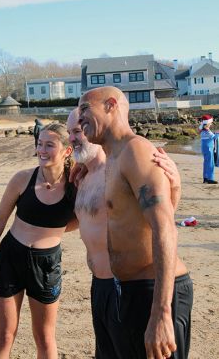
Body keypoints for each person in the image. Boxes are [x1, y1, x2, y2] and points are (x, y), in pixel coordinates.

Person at [78, 87, 193, 359]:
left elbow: (164, 226)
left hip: (154, 291)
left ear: (110, 105)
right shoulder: (113, 158)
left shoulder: (136, 151)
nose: (79, 117)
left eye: (84, 108)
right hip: (126, 290)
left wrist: (162, 313)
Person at [0, 123, 77, 359]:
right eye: (39, 144)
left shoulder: (76, 185)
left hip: (46, 265)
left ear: (67, 151)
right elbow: (0, 217)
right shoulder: (22, 178)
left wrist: (54, 230)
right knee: (4, 335)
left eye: (49, 145)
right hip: (10, 258)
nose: (42, 149)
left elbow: (86, 218)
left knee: (44, 337)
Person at [199, 114, 218, 184]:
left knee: (206, 162)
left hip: (205, 147)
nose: (211, 124)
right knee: (210, 163)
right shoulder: (207, 130)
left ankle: (205, 178)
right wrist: (217, 133)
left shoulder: (201, 129)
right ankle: (210, 178)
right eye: (210, 123)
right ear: (208, 123)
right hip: (208, 148)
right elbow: (214, 137)